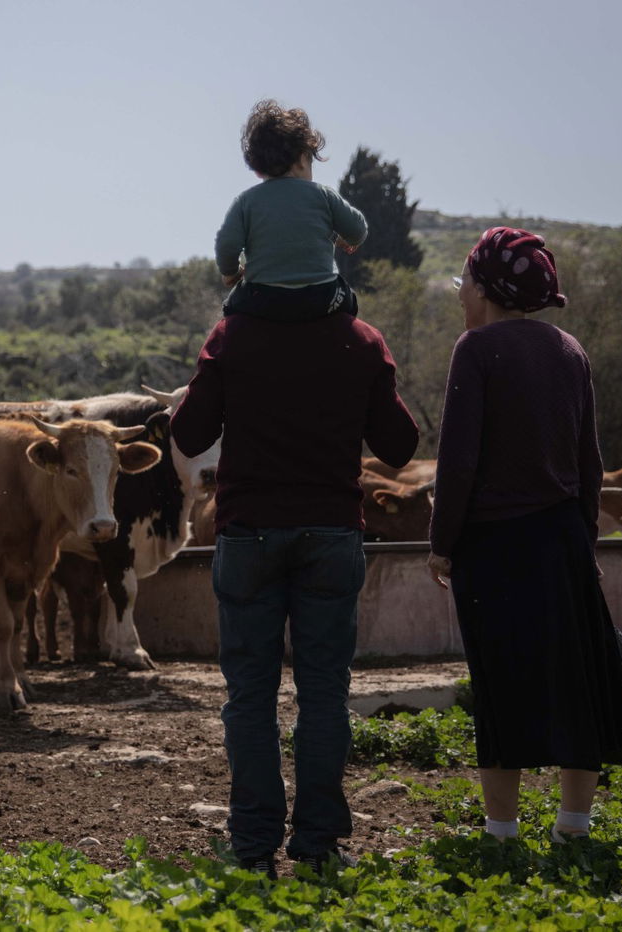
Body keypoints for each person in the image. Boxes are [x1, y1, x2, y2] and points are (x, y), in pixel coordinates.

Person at [171, 267, 419, 878]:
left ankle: (253, 846)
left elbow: (190, 433)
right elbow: (399, 446)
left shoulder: (230, 336)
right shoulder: (360, 340)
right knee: (325, 694)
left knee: (250, 696)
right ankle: (317, 843)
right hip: (331, 534)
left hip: (249, 533)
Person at [427, 227, 622, 843]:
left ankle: (502, 831)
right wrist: (585, 541)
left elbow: (458, 461)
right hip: (562, 539)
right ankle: (574, 825)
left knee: (501, 683)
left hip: (493, 546)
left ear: (486, 288)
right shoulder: (570, 349)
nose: (460, 292)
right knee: (577, 677)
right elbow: (589, 463)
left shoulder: (476, 349)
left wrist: (442, 542)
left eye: (464, 280)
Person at [215, 100, 368, 322]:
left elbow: (226, 245)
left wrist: (231, 272)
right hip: (321, 297)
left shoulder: (245, 202)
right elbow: (358, 230)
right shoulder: (323, 195)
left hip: (262, 299)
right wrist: (345, 238)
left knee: (230, 308)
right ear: (302, 159)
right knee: (350, 300)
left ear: (258, 169)